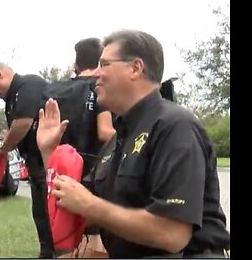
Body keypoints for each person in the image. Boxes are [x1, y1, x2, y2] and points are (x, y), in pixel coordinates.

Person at [36, 29, 230, 258]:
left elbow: (172, 234)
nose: (95, 73)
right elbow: (77, 204)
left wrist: (91, 206)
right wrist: (50, 154)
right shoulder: (119, 137)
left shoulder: (175, 127)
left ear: (135, 68)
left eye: (104, 64)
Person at [0, 61, 54, 258]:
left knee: (49, 211)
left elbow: (23, 122)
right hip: (33, 160)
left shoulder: (27, 84)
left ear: (0, 75)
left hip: (45, 160)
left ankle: (57, 251)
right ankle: (47, 252)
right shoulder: (12, 97)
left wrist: (3, 148)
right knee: (39, 211)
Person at [70, 37, 115, 258]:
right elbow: (105, 131)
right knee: (95, 242)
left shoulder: (56, 90)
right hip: (95, 171)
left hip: (65, 172)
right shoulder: (100, 90)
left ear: (75, 64)